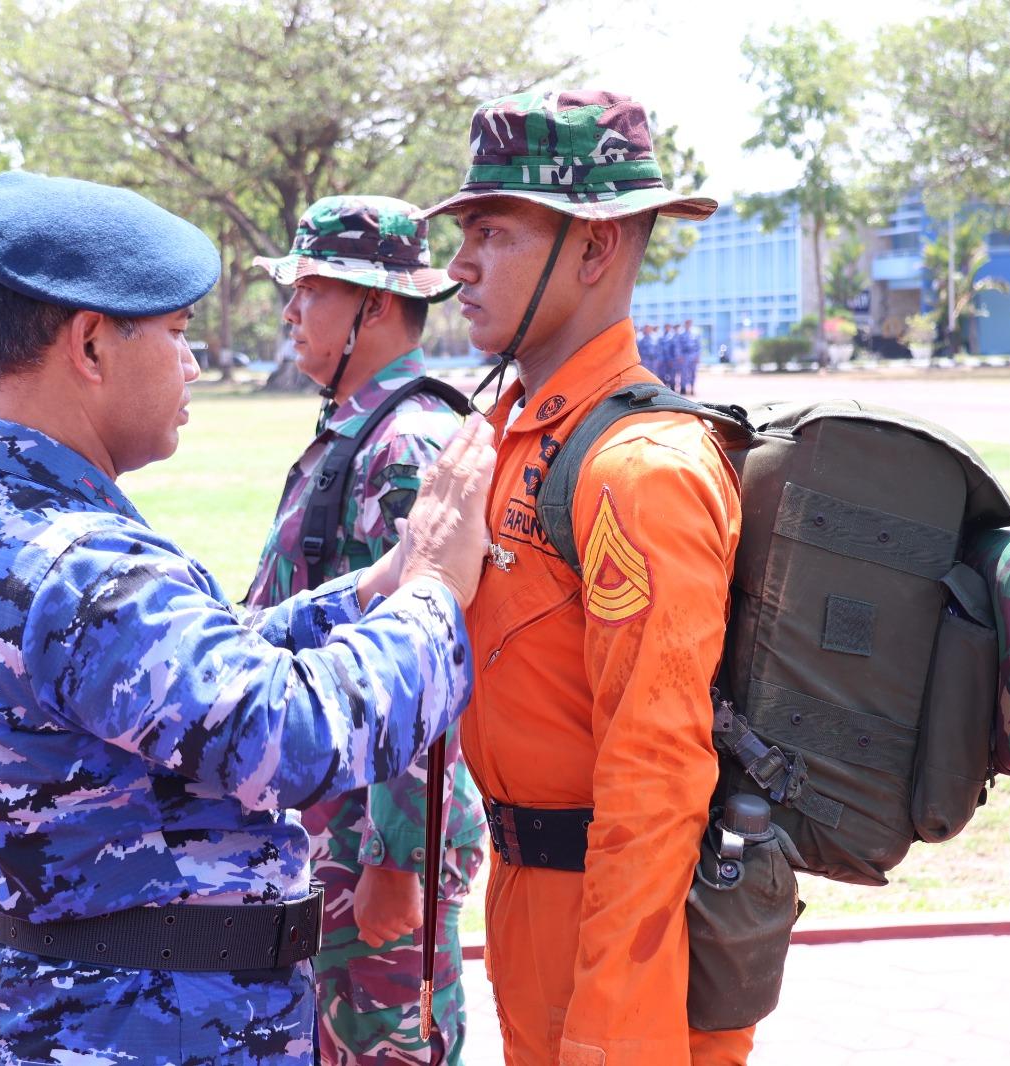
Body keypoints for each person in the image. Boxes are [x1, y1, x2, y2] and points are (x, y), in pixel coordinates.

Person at [0, 170, 496, 1066]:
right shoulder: (80, 562)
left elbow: (192, 672)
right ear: (93, 345)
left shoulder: (5, 512)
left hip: (98, 1012)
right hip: (141, 1028)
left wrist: (366, 591)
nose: (192, 362)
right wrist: (435, 591)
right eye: (178, 334)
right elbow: (292, 735)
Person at [419, 89, 751, 1065]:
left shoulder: (637, 468)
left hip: (624, 939)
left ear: (596, 248)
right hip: (533, 901)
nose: (459, 265)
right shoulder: (510, 436)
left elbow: (654, 785)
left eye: (492, 231)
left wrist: (611, 1038)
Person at [248, 194, 487, 1065]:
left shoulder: (411, 444)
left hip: (373, 850)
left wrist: (399, 857)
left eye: (310, 289)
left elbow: (433, 655)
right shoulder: (363, 430)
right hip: (333, 835)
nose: (290, 311)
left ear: (374, 305)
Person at [678, 317, 703, 396]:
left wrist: (698, 356)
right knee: (684, 373)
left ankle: (692, 388)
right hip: (684, 356)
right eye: (687, 323)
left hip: (693, 355)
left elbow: (699, 346)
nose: (688, 324)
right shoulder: (681, 334)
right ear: (685, 324)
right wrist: (680, 356)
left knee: (693, 373)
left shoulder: (695, 334)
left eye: (689, 322)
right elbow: (678, 346)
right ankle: (683, 389)